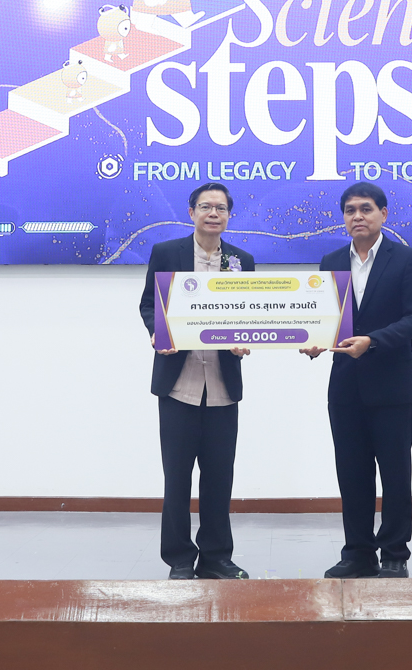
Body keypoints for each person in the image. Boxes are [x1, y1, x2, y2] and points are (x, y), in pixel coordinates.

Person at [302, 182, 412, 578]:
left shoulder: (406, 259)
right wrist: (314, 342)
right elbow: (325, 319)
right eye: (350, 210)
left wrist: (372, 341)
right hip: (345, 387)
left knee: (395, 474)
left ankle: (394, 553)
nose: (357, 216)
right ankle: (357, 552)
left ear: (383, 214)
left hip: (392, 387)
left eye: (366, 209)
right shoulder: (331, 262)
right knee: (352, 474)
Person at [139, 183, 255, 580]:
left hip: (222, 386)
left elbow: (248, 313)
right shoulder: (167, 253)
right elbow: (149, 304)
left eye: (221, 208)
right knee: (177, 478)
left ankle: (217, 557)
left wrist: (245, 337)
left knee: (219, 477)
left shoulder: (241, 261)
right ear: (191, 213)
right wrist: (157, 331)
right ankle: (179, 558)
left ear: (229, 216)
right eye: (206, 206)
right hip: (179, 385)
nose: (213, 214)